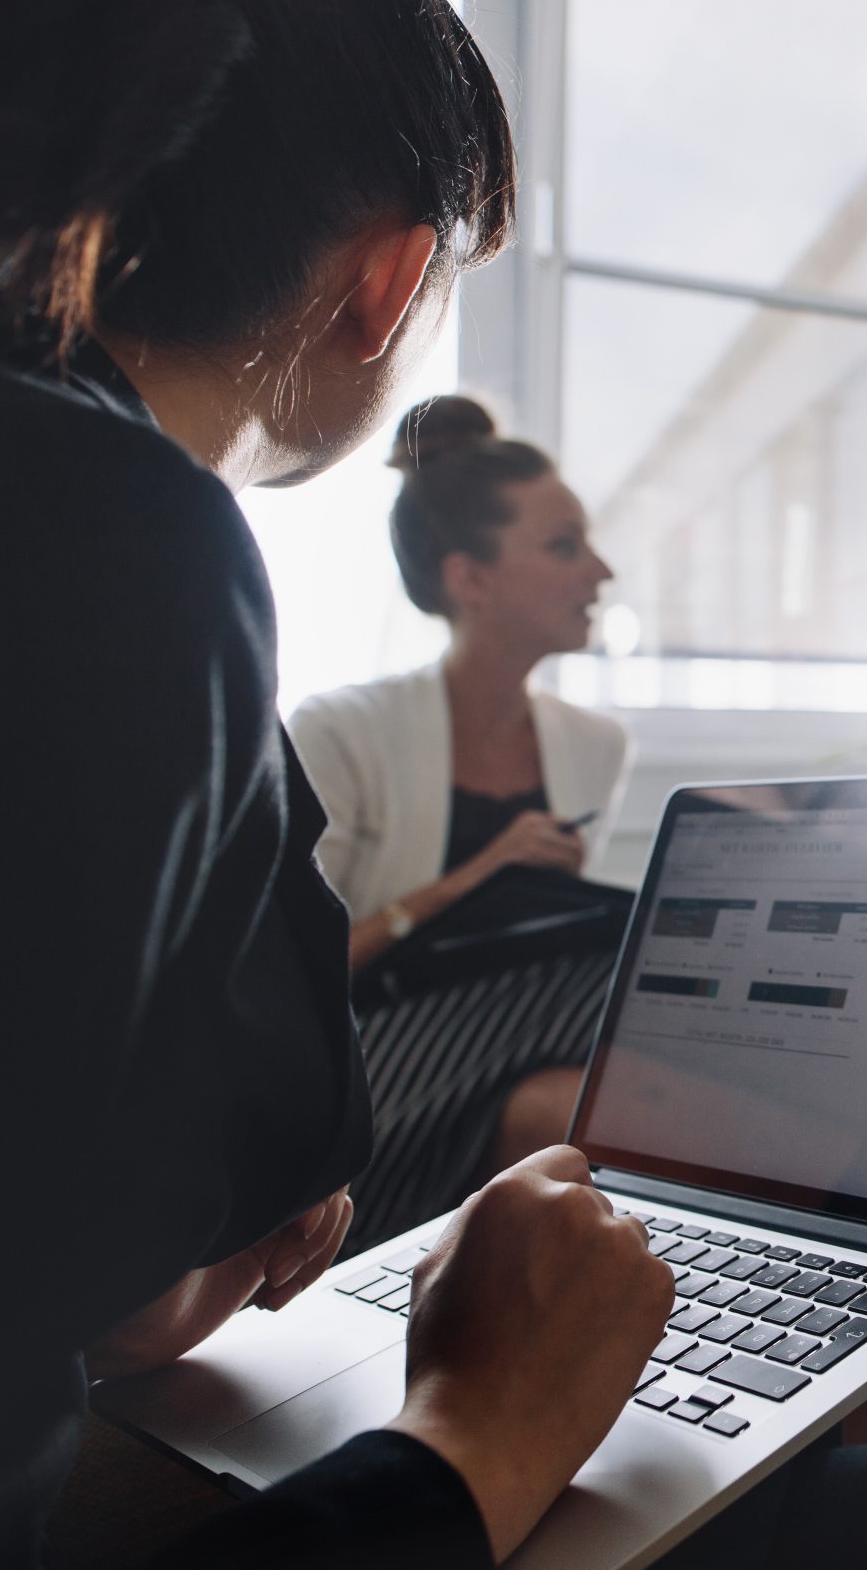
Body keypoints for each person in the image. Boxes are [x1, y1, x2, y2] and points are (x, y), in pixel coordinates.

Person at [0, 0, 867, 1567]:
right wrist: (472, 1431)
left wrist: (120, 1272)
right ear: (389, 283)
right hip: (384, 1125)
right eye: (560, 544)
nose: (597, 568)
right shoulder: (106, 543)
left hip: (176, 1302)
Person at [291, 397, 627, 1239]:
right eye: (565, 546)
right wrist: (480, 877)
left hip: (515, 1036)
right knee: (624, 1015)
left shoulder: (595, 745)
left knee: (580, 1080)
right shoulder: (340, 731)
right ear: (469, 578)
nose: (601, 572)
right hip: (363, 1058)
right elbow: (293, 976)